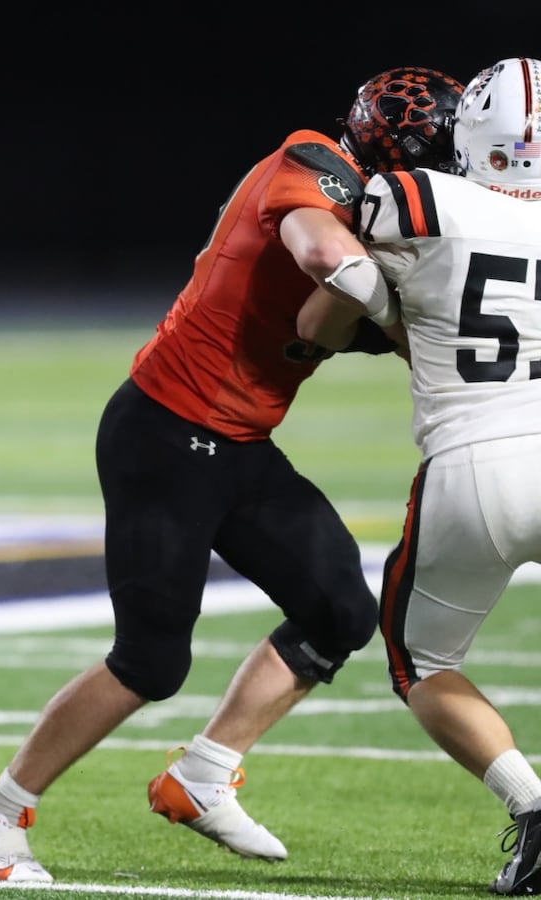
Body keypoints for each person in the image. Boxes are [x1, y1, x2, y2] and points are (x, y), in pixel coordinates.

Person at [0, 65, 465, 884]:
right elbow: (323, 252)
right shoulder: (315, 162)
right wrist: (401, 295)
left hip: (238, 442)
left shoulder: (388, 221)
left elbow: (355, 324)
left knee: (338, 611)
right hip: (165, 431)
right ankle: (1, 808)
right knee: (150, 662)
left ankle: (203, 771)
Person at [304, 57, 541, 896]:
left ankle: (533, 805)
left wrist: (386, 303)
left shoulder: (418, 199)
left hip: (475, 463)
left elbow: (320, 322)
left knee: (423, 661)